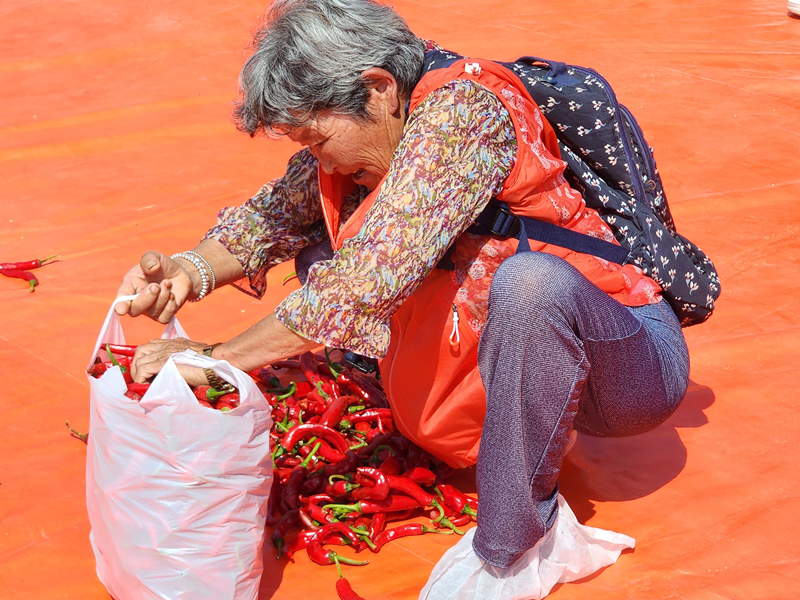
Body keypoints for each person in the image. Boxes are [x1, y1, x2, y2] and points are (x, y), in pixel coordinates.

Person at [116, 0, 690, 579]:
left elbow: (361, 284)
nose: (322, 160)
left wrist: (215, 361)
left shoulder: (463, 114)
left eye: (317, 139)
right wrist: (187, 271)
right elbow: (273, 217)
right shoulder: (370, 134)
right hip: (524, 362)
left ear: (380, 88)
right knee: (327, 234)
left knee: (529, 284)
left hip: (623, 372)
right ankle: (504, 426)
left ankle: (512, 547)